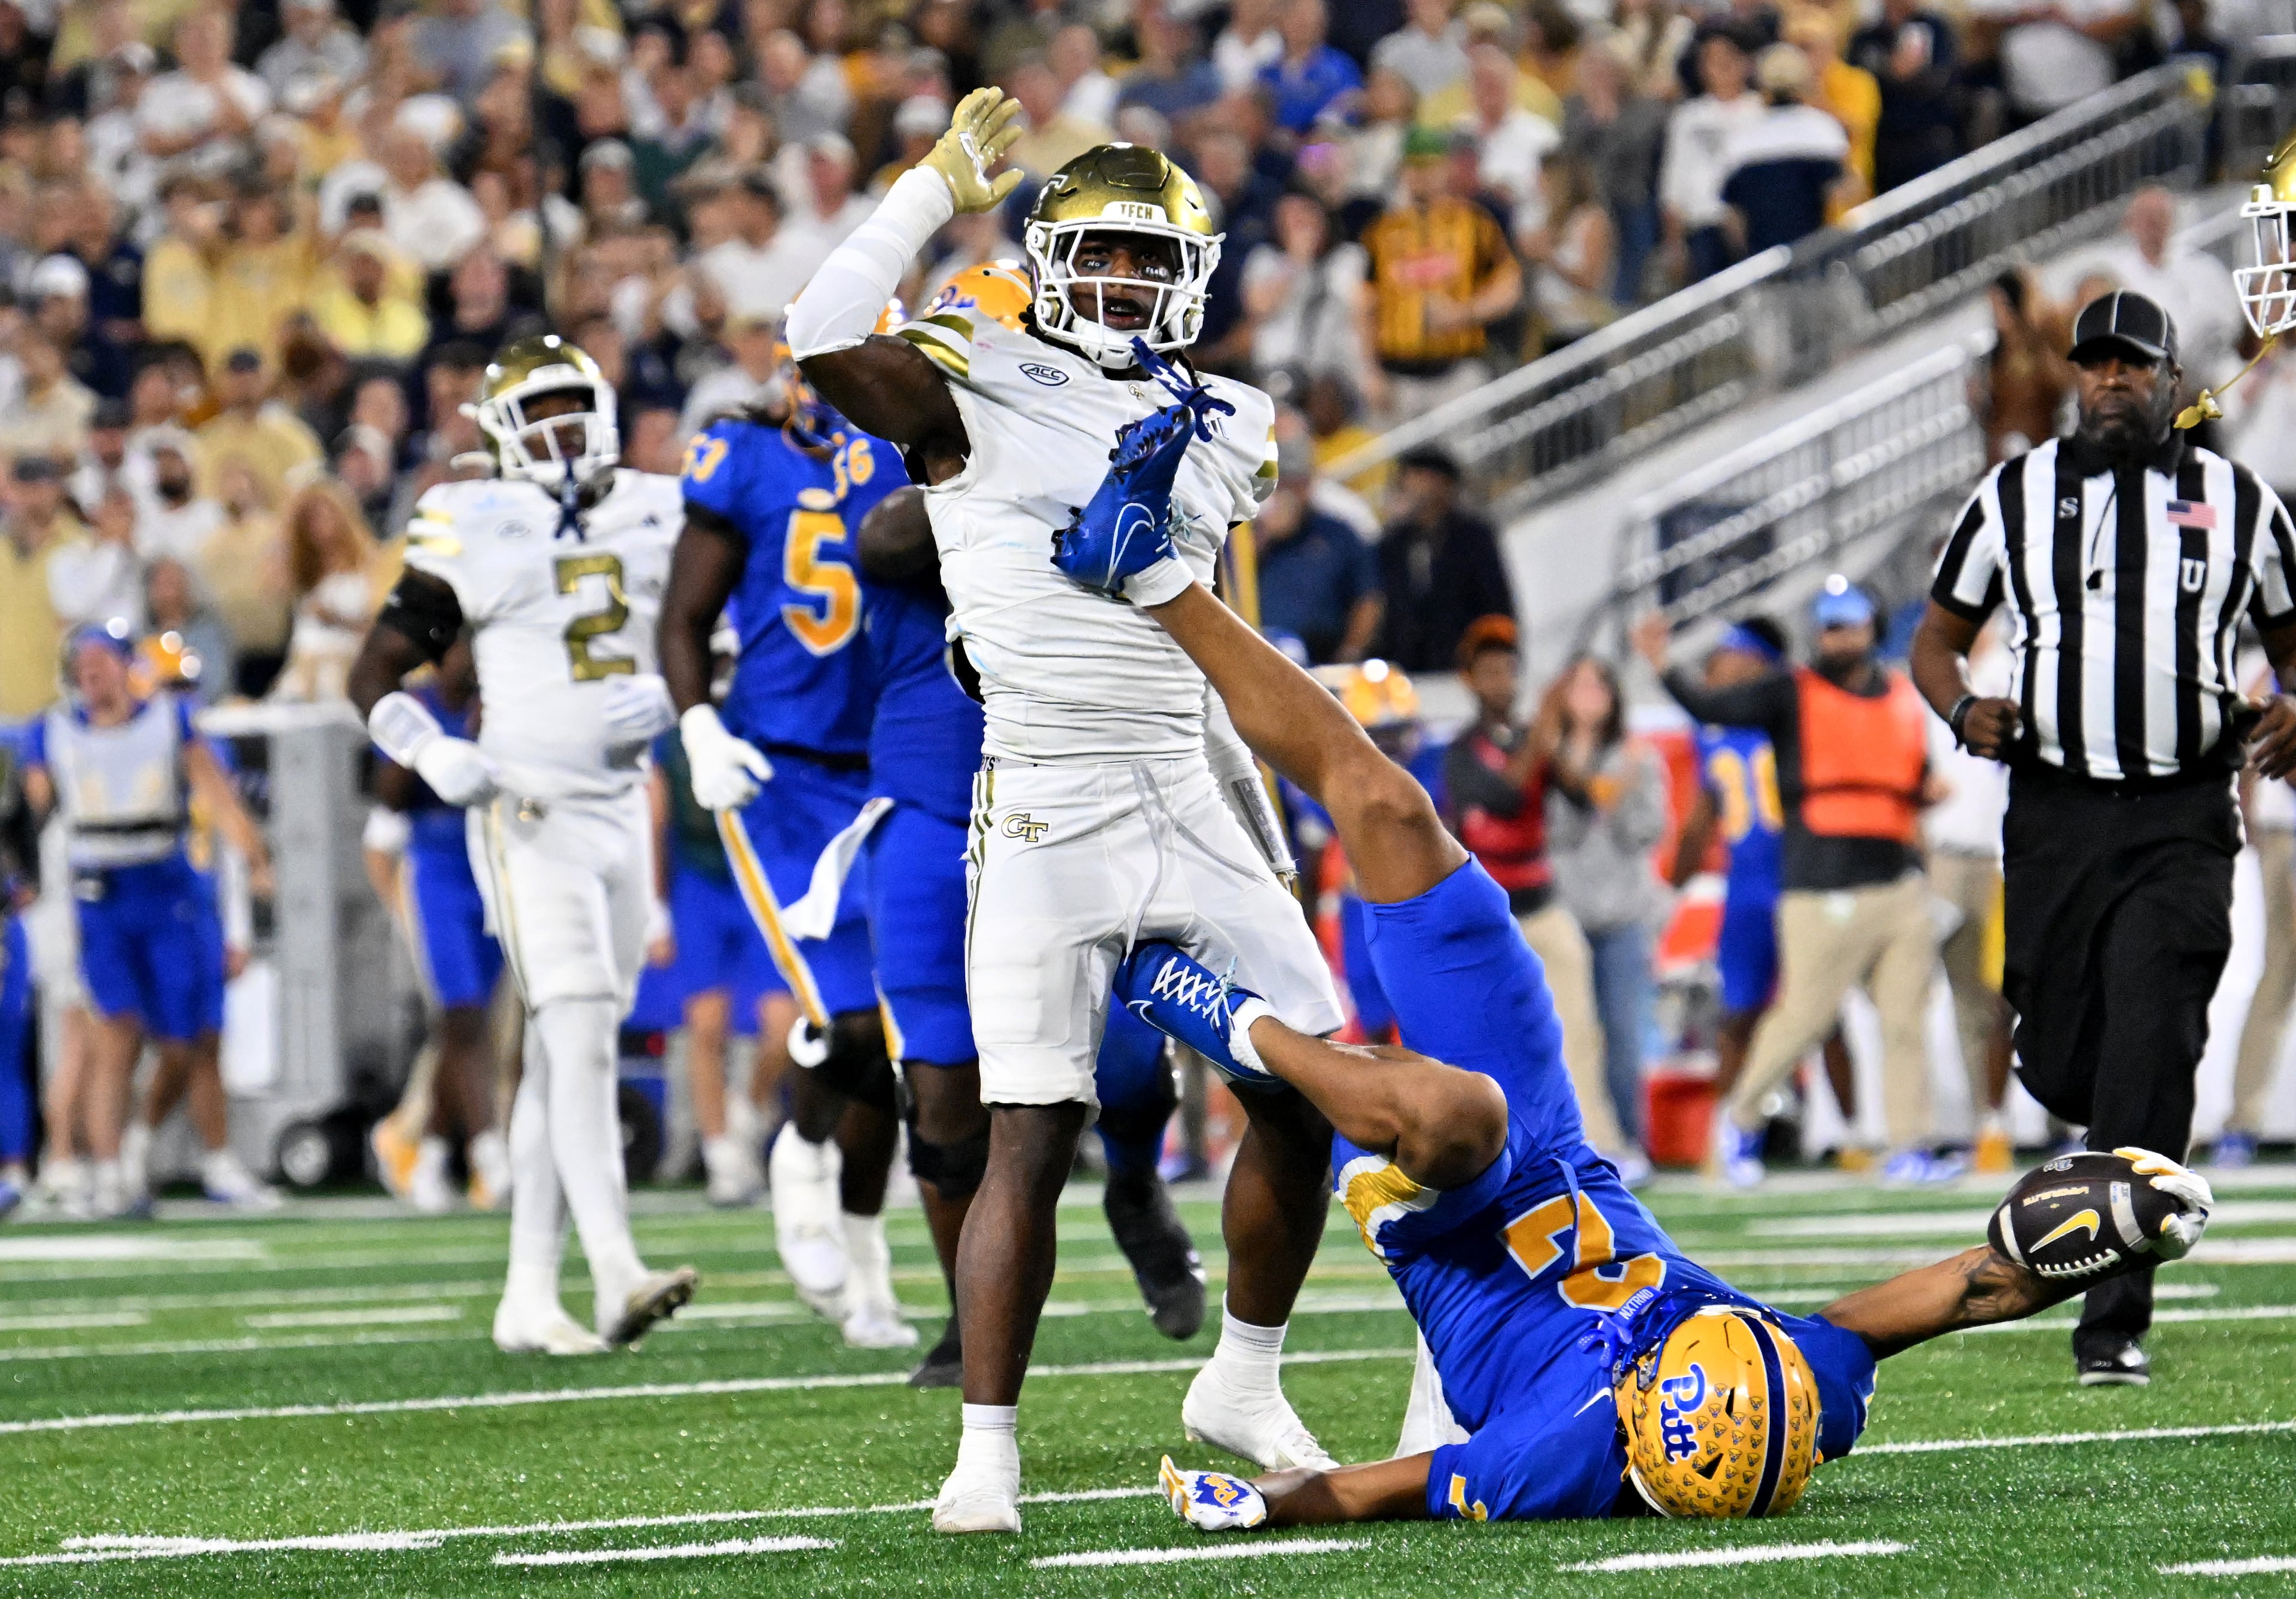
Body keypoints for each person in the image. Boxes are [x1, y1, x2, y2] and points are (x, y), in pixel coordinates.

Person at [1038, 491, 2210, 1532]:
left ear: (1646, 1426)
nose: (1682, 1336)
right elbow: (1970, 1287)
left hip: (1451, 1234)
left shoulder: (1559, 1453)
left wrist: (1269, 1503)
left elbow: (1376, 1486)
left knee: (1456, 1113)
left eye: (1662, 1365)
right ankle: (1147, 565)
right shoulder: (1780, 1374)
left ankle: (1209, 1009)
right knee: (1393, 809)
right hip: (1560, 1151)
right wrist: (2136, 1221)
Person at [782, 99, 1347, 1532]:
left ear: (1191, 281)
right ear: (1042, 260)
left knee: (1304, 1091)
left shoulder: (1233, 418)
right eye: (1089, 257)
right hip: (1041, 792)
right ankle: (985, 1450)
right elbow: (816, 330)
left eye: (1143, 263)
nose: (1115, 286)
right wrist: (923, 193)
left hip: (1187, 772)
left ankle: (1242, 1373)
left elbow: (1217, 617)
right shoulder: (979, 371)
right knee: (1027, 1131)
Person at [1914, 287, 2296, 1385]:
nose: (2112, 381)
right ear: (2076, 379)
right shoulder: (2014, 495)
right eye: (2096, 365)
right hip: (2056, 813)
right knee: (2065, 1057)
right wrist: (1961, 711)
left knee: (2153, 1039)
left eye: (2135, 365)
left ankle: (2114, 1318)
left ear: (2175, 383)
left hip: (2184, 811)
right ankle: (2089, 1130)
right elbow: (1936, 642)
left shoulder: (2238, 501)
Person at [347, 334, 698, 1356]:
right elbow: (371, 671)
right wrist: (427, 748)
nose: (556, 435)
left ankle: (527, 1294)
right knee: (580, 1024)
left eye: (569, 412)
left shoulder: (656, 506)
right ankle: (618, 1266)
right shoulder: (472, 518)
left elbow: (714, 634)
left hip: (624, 805)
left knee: (566, 1049)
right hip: (527, 812)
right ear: (501, 435)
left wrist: (683, 690)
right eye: (534, 417)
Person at [852, 475, 1210, 1387]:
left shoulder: (1087, 430)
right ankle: (969, 1313)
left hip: (1073, 792)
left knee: (1129, 1056)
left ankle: (1133, 1180)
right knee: (939, 1082)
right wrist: (995, 470)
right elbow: (883, 544)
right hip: (931, 804)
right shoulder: (934, 464)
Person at [656, 336, 914, 1350]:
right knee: (842, 1022)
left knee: (895, 1044)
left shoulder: (912, 452)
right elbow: (684, 614)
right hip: (780, 773)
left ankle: (869, 1270)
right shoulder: (746, 454)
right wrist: (698, 726)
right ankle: (795, 1156)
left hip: (891, 771)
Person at [1639, 577, 1952, 1188]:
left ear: (1873, 625)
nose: (1840, 634)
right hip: (1819, 886)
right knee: (1801, 1017)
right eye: (1829, 623)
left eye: (1851, 621)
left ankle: (1909, 1143)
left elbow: (1914, 776)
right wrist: (1664, 667)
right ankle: (1739, 1119)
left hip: (1897, 881)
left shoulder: (1899, 696)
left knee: (1903, 1020)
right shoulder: (1790, 691)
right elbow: (1712, 707)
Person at [22, 623, 279, 1217]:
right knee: (113, 1035)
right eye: (82, 665)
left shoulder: (169, 720)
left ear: (123, 666)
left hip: (164, 887)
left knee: (186, 1035)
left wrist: (256, 858)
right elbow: (33, 818)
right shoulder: (52, 732)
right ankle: (107, 1170)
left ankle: (134, 1153)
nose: (93, 675)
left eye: (101, 663)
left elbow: (217, 794)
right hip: (96, 893)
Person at [1666, 619, 1859, 1157]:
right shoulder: (1715, 731)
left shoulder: (1793, 711)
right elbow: (1704, 811)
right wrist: (1677, 876)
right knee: (1739, 1014)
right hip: (1747, 888)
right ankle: (1727, 1139)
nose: (1720, 666)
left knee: (1825, 1012)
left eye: (1732, 655)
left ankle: (1853, 1132)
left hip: (1803, 880)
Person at [1442, 619, 1623, 1160]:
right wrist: (1543, 735)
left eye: (1509, 670)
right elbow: (1502, 797)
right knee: (1485, 1038)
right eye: (1490, 671)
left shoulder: (1535, 738)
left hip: (1543, 905)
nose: (1502, 681)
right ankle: (1486, 1150)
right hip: (1490, 917)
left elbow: (1581, 797)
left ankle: (1597, 1141)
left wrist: (1562, 740)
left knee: (1579, 1029)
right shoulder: (1460, 752)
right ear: (1470, 680)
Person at [363, 641, 512, 1213]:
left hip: (493, 864)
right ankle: (486, 1152)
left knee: (475, 1027)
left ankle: (423, 1150)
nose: (470, 660)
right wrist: (423, 749)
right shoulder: (415, 706)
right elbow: (389, 800)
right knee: (460, 1013)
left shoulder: (498, 701)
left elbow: (524, 798)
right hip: (438, 867)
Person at [652, 717, 796, 1209]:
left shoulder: (761, 702)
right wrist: (656, 908)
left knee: (785, 1026)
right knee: (706, 1023)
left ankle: (747, 1115)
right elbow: (655, 812)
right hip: (700, 879)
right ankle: (720, 1156)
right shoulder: (673, 727)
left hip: (761, 867)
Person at [1544, 654, 1665, 1178]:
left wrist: (1623, 790)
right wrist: (1579, 773)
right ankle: (1583, 1140)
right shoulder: (1546, 759)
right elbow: (1556, 834)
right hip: (1566, 911)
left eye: (1600, 684)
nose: (1591, 695)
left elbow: (1645, 831)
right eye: (1580, 685)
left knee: (1624, 1032)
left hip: (1621, 911)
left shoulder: (1638, 755)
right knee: (1573, 1033)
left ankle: (1631, 1141)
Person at [1923, 616, 2014, 1173]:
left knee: (2001, 996)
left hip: (2002, 851)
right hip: (1938, 850)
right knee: (1945, 994)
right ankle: (1967, 1125)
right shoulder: (1925, 669)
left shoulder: (2014, 666)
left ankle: (1999, 1122)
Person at [1360, 127, 1523, 423]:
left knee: (1461, 463)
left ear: (1445, 167)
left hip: (1457, 372)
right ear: (1402, 171)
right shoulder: (1383, 231)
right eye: (1414, 166)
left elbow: (1509, 285)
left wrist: (1465, 313)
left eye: (1430, 166)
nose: (1422, 175)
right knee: (1397, 466)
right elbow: (1365, 306)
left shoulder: (1474, 223)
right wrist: (1371, 372)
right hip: (1397, 377)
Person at [1373, 445, 1514, 672]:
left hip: (1461, 666)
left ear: (1444, 484)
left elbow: (1494, 600)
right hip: (1405, 669)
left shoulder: (1474, 537)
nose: (1409, 486)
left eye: (1419, 477)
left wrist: (1493, 656)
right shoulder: (1392, 543)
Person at [1718, 46, 1848, 258]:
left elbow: (1733, 216)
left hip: (1761, 259)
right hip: (1815, 256)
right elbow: (1842, 194)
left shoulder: (1744, 136)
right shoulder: (1822, 129)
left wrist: (1743, 256)